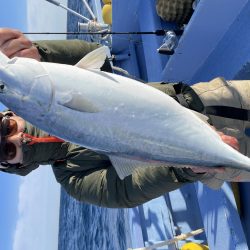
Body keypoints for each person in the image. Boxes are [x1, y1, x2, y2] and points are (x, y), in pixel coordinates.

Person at [0, 28, 248, 208]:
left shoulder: (49, 84)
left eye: (6, 127)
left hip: (208, 99)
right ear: (17, 166)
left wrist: (40, 55)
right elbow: (125, 190)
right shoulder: (71, 177)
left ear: (12, 113)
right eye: (8, 151)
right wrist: (188, 168)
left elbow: (98, 60)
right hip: (208, 160)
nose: (18, 138)